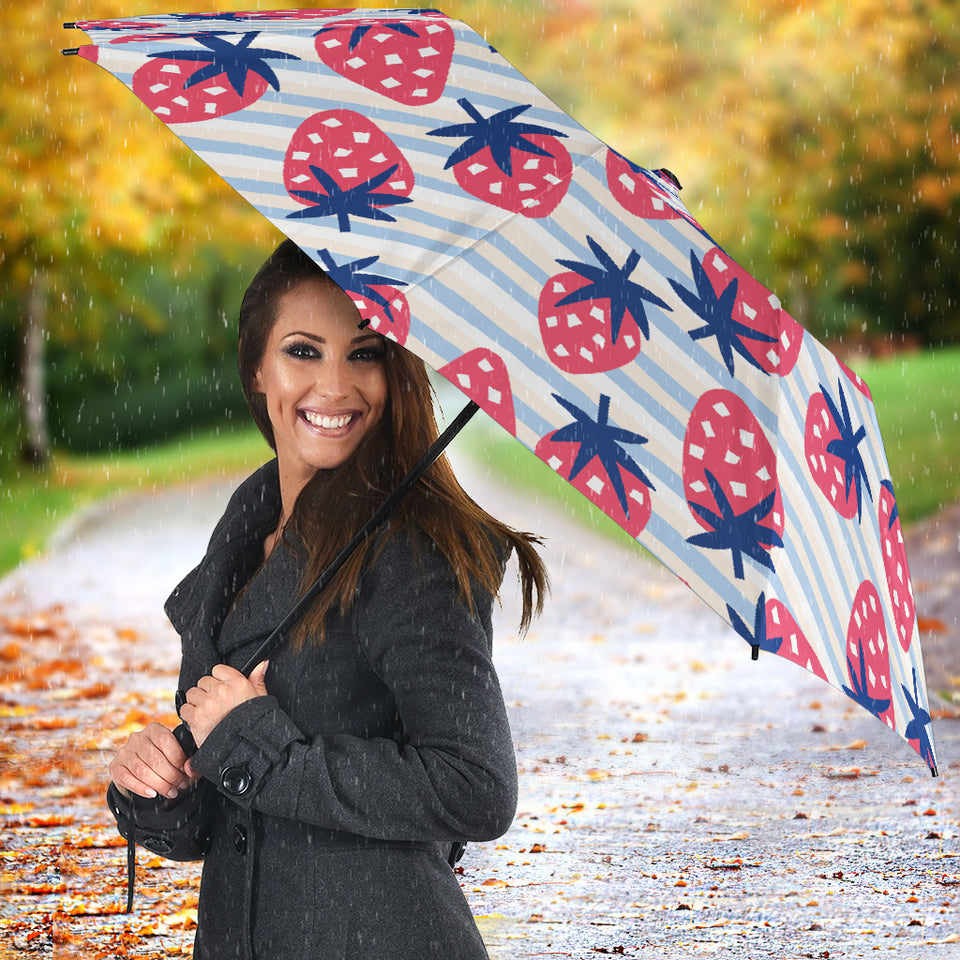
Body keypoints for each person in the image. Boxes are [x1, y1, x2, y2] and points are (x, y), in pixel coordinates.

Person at [107, 239, 548, 959]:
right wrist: (168, 785)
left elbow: (477, 788)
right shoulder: (242, 544)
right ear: (257, 369)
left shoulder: (411, 552)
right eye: (304, 352)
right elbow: (237, 811)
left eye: (365, 353)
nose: (336, 385)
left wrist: (259, 747)